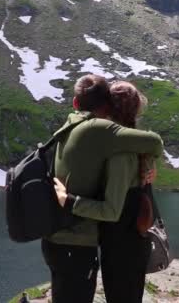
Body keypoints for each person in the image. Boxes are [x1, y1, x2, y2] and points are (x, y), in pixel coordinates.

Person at [41, 75, 164, 303]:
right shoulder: (110, 139)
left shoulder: (73, 124)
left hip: (75, 239)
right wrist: (67, 200)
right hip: (101, 242)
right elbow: (155, 142)